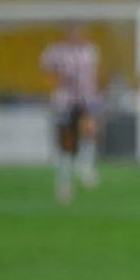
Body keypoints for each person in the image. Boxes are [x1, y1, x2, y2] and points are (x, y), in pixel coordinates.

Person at [40, 25, 102, 203]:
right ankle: (64, 182)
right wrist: (56, 83)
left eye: (79, 32)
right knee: (67, 142)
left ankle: (86, 167)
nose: (76, 35)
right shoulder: (55, 52)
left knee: (89, 130)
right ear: (66, 34)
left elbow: (94, 75)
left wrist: (96, 94)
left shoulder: (90, 50)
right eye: (72, 32)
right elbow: (46, 71)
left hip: (86, 98)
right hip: (65, 100)